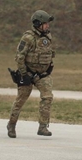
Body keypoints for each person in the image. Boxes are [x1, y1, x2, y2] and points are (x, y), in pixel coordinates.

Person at [7, 10, 56, 138]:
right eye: (45, 23)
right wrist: (24, 74)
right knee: (21, 100)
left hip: (43, 75)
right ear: (37, 23)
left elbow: (50, 52)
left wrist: (49, 66)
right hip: (27, 73)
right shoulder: (28, 38)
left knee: (48, 97)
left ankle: (43, 126)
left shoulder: (47, 36)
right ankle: (11, 125)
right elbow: (19, 57)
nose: (48, 26)